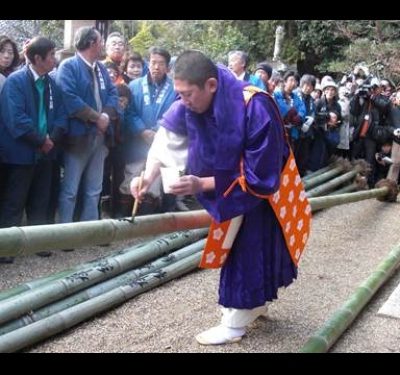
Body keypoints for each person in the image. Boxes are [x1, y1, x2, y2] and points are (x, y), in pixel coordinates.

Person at [130, 50, 311, 345]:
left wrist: (202, 183)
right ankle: (255, 305)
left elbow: (261, 173)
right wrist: (147, 177)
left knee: (248, 251)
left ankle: (234, 323)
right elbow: (167, 142)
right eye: (180, 94)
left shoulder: (255, 104)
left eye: (188, 94)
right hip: (228, 187)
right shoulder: (188, 102)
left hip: (264, 192)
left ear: (211, 85)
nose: (183, 101)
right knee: (244, 249)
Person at [0, 36, 67, 262]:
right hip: (20, 153)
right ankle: (6, 248)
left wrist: (52, 139)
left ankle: (39, 242)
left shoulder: (51, 83)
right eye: (51, 55)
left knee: (42, 199)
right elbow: (15, 119)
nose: (54, 59)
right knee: (14, 201)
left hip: (46, 152)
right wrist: (41, 140)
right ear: (38, 58)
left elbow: (61, 117)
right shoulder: (16, 81)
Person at [56, 26, 118, 224]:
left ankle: (89, 229)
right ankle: (64, 231)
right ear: (92, 43)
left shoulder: (100, 67)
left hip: (100, 136)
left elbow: (113, 93)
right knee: (70, 189)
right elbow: (69, 99)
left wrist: (106, 117)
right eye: (100, 41)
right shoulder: (68, 66)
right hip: (78, 137)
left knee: (94, 189)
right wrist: (96, 118)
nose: (102, 45)